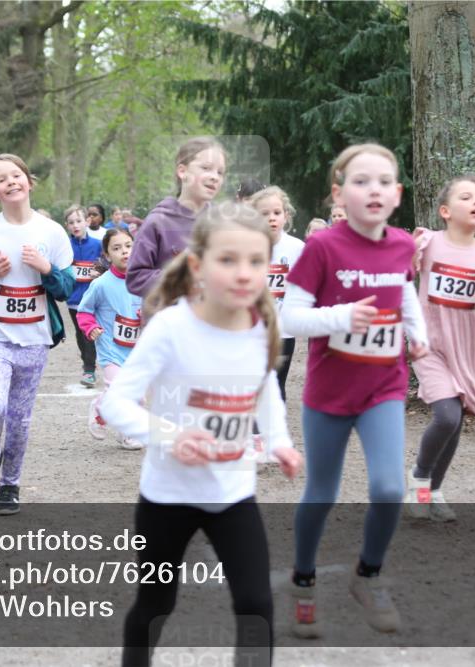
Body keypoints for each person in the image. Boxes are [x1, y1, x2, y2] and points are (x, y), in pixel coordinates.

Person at [100, 202, 302, 667]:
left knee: (256, 605)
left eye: (256, 261)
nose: (244, 273)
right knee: (156, 604)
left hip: (232, 495)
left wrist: (279, 442)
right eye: (228, 260)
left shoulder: (260, 325)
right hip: (167, 497)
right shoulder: (172, 327)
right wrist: (170, 437)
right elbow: (116, 403)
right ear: (198, 265)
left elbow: (266, 386)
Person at [281, 143, 428, 636]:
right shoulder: (323, 247)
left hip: (383, 386)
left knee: (389, 488)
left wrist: (418, 331)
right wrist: (342, 316)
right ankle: (303, 580)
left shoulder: (403, 245)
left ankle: (369, 575)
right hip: (329, 393)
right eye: (362, 181)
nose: (374, 190)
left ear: (397, 194)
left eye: (384, 182)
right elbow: (290, 317)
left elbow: (404, 287)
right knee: (322, 492)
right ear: (339, 194)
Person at [0, 154, 75, 516]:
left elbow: (67, 288)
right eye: (2, 179)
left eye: (16, 175)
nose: (11, 182)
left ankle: (10, 486)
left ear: (29, 180)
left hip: (35, 340)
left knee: (20, 420)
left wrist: (47, 269)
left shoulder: (51, 233)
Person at [406, 175, 475, 521]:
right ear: (445, 211)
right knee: (447, 415)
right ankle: (419, 479)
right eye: (467, 197)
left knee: (456, 422)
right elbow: (399, 276)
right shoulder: (428, 243)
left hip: (464, 351)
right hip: (429, 346)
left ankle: (433, 492)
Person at [126, 137, 226, 297]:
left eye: (220, 172)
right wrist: (181, 278)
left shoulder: (223, 222)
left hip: (211, 318)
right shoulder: (158, 222)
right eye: (206, 168)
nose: (215, 176)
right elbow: (135, 279)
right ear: (182, 171)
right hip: (167, 317)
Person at [76, 228, 143, 450]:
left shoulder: (144, 280)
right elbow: (84, 311)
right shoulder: (101, 284)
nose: (124, 251)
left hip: (137, 350)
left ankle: (128, 434)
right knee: (117, 389)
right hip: (111, 349)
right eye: (116, 248)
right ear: (106, 255)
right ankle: (99, 409)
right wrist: (91, 327)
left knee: (136, 394)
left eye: (128, 246)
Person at [248, 186, 305, 400]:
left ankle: (273, 430)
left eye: (276, 213)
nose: (271, 218)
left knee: (277, 384)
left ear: (286, 215)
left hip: (283, 330)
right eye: (264, 214)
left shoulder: (297, 248)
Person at [63, 205, 103, 387]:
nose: (75, 225)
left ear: (87, 222)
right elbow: (60, 269)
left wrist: (100, 271)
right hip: (73, 299)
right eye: (71, 222)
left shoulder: (97, 245)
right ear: (67, 225)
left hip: (93, 298)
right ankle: (88, 365)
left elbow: (106, 264)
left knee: (90, 333)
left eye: (79, 221)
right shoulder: (65, 246)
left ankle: (89, 369)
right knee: (80, 335)